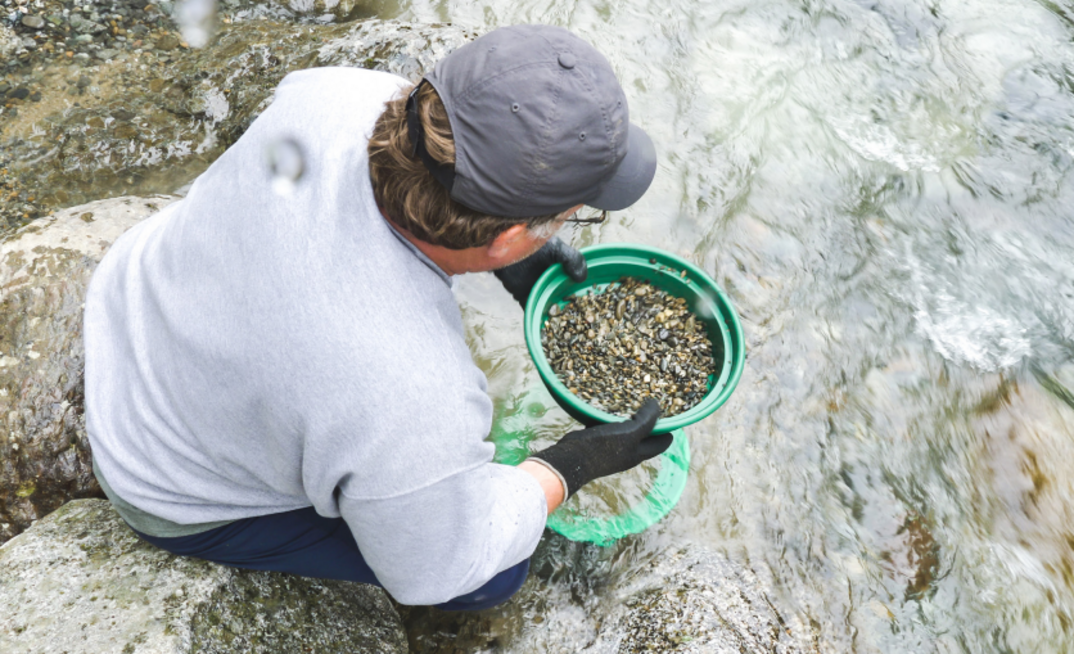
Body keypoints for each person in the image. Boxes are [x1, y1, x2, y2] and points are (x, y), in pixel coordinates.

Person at [83, 24, 672, 611]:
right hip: (160, 480)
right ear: (507, 236)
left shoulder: (338, 93)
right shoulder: (411, 389)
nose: (567, 225)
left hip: (128, 302)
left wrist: (511, 254)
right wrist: (568, 465)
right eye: (570, 216)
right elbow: (433, 573)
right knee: (491, 576)